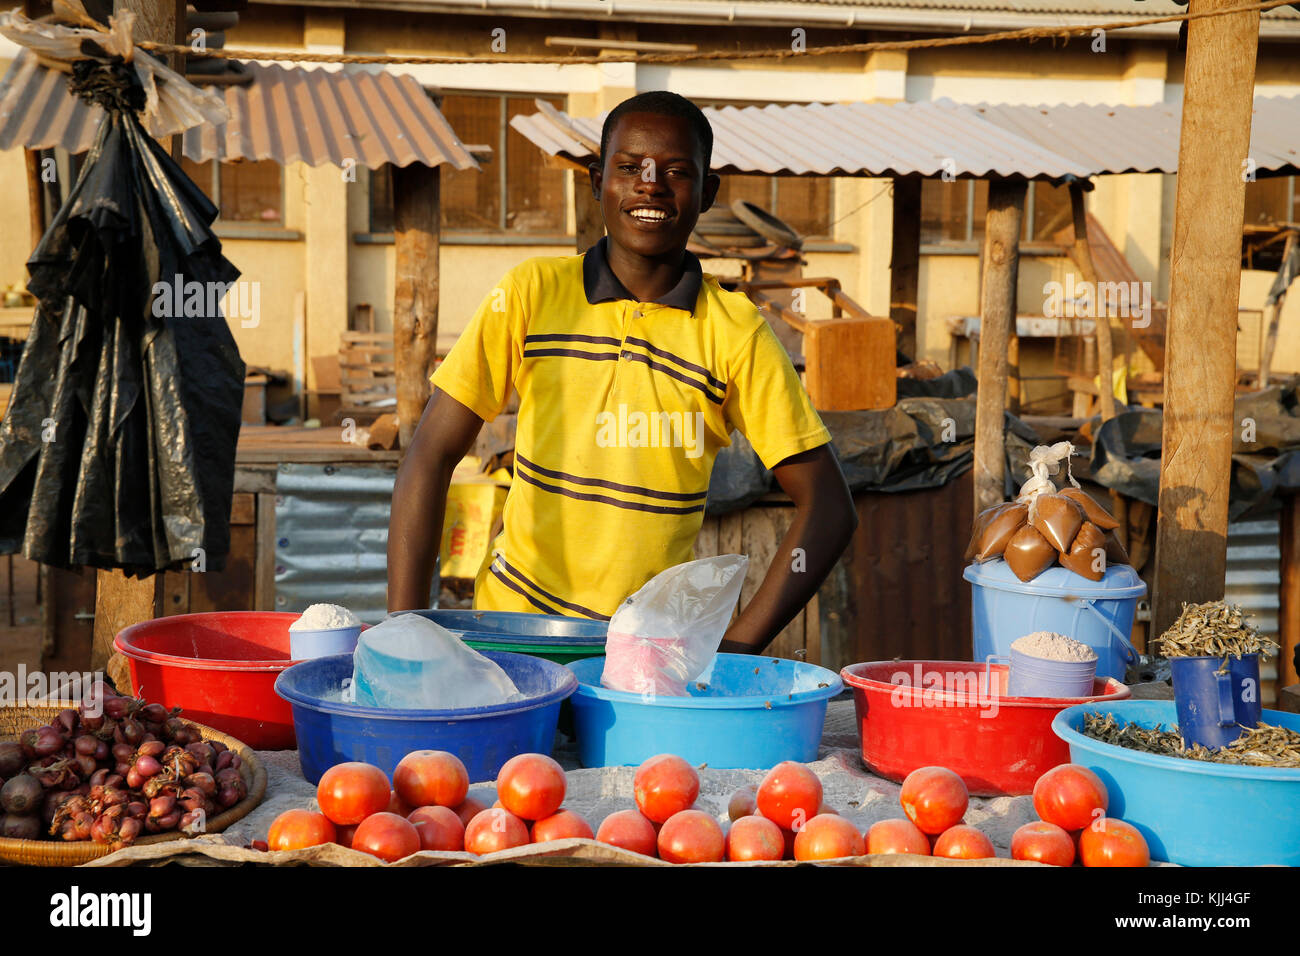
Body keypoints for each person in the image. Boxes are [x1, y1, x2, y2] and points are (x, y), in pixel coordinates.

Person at [387, 90, 857, 654]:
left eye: (676, 171)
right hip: (513, 638)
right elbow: (431, 452)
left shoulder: (735, 331)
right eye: (630, 167)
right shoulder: (532, 293)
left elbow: (828, 506)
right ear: (597, 180)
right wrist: (405, 630)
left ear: (708, 192)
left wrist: (735, 647)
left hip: (643, 659)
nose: (650, 184)